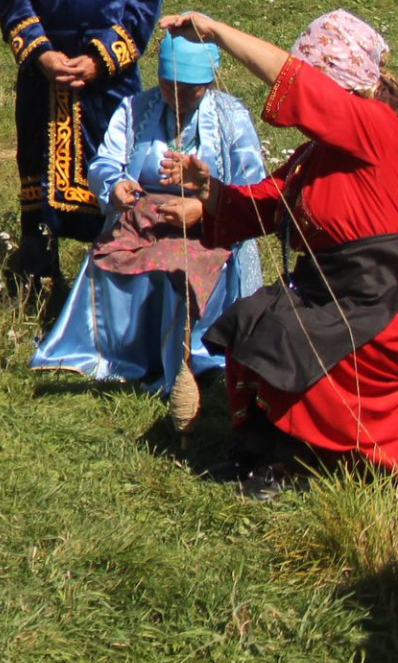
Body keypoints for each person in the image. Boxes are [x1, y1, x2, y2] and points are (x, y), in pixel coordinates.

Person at [159, 8, 398, 490]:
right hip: (337, 288)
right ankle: (260, 453)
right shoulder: (316, 153)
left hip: (389, 299)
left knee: (287, 334)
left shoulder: (374, 126)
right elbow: (269, 203)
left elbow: (295, 82)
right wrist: (208, 195)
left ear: (338, 83)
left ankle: (299, 463)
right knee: (253, 318)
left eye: (316, 74)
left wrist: (217, 32)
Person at [31, 32, 265, 394]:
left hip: (211, 229)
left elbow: (253, 186)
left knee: (175, 270)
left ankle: (194, 360)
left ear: (209, 82)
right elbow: (106, 161)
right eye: (168, 86)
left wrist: (203, 208)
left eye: (190, 90)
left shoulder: (231, 118)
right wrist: (115, 185)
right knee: (110, 257)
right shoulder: (136, 109)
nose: (177, 97)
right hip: (142, 223)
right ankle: (119, 354)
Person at [0, 0, 165, 320]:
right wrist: (43, 55)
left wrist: (96, 61)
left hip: (106, 85)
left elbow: (142, 7)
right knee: (39, 168)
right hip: (42, 82)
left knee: (110, 170)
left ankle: (115, 282)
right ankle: (39, 278)